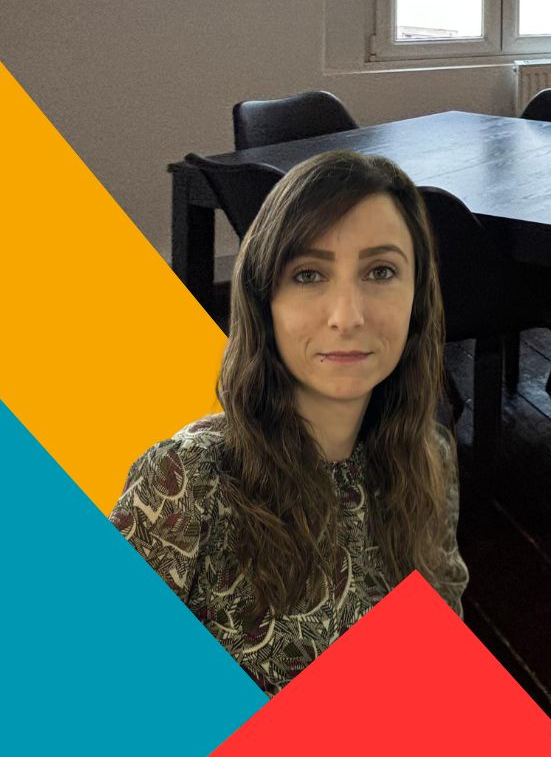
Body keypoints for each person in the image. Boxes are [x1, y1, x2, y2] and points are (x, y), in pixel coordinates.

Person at [112, 150, 467, 692]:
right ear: (264, 302)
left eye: (381, 272)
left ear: (417, 299)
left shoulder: (430, 457)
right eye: (308, 274)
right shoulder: (186, 480)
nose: (347, 316)